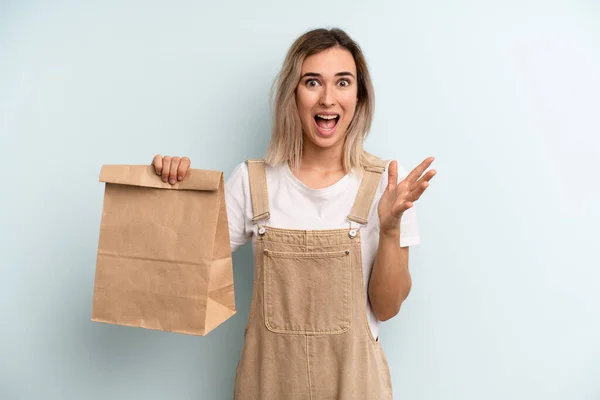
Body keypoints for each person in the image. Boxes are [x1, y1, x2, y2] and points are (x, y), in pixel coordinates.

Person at [152, 28, 435, 400]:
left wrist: (391, 227)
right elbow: (181, 268)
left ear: (359, 96)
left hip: (355, 386)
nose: (328, 99)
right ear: (293, 93)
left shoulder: (388, 187)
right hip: (268, 386)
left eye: (343, 82)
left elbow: (387, 307)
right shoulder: (253, 182)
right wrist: (171, 189)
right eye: (312, 82)